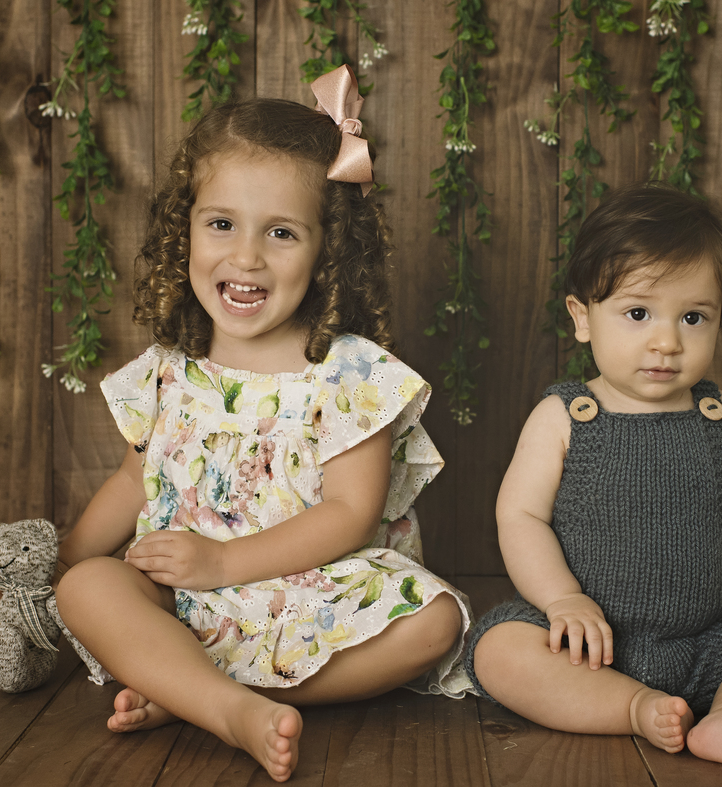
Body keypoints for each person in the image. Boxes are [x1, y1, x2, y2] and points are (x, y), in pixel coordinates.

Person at [46, 66, 471, 782]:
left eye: (281, 232)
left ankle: (202, 696)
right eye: (221, 224)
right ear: (186, 228)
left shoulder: (348, 374)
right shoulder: (167, 369)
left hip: (311, 592)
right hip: (176, 601)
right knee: (87, 588)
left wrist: (222, 563)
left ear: (326, 249)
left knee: (437, 622)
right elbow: (130, 481)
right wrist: (59, 564)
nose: (245, 257)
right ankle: (216, 696)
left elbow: (352, 513)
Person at [464, 182, 722, 772]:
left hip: (707, 637)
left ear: (719, 321)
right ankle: (631, 708)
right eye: (637, 313)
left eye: (693, 317)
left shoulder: (721, 414)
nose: (666, 341)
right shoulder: (566, 416)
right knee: (501, 650)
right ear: (583, 317)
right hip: (584, 643)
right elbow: (519, 517)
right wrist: (563, 600)